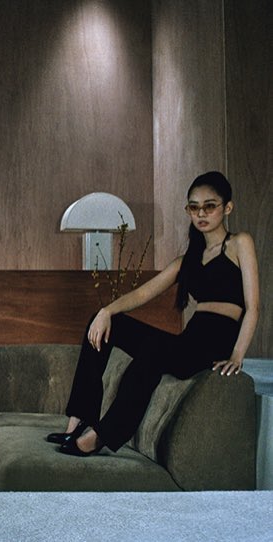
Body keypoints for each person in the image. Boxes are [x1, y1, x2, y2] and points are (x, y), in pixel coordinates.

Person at [48, 171, 259, 457]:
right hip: (189, 341)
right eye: (194, 207)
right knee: (106, 323)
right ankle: (78, 422)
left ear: (227, 207)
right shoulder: (188, 260)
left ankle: (99, 437)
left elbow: (253, 307)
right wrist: (106, 311)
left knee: (152, 353)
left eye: (209, 206)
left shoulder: (239, 243)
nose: (201, 214)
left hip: (214, 344)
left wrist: (237, 355)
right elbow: (142, 294)